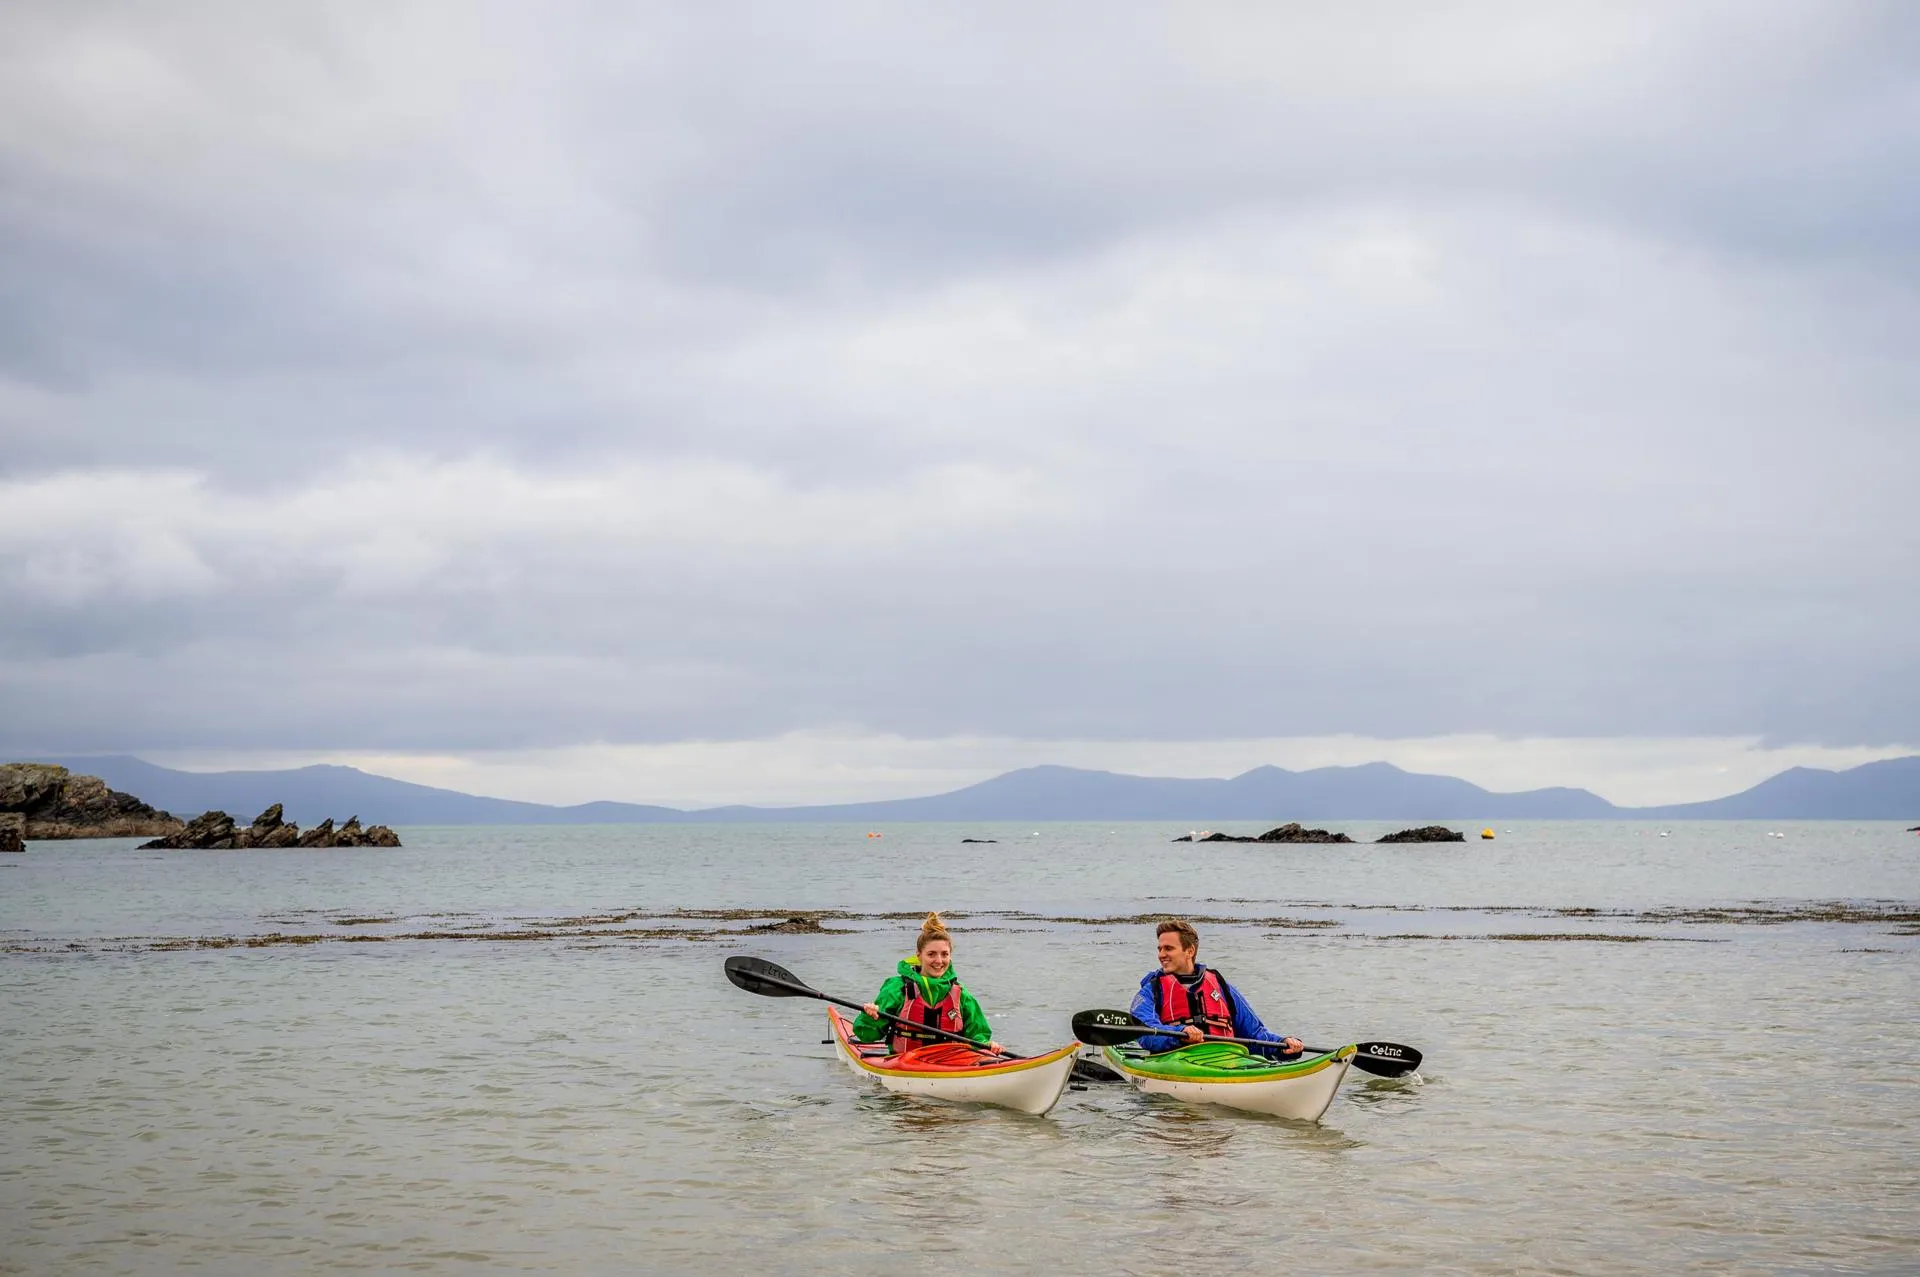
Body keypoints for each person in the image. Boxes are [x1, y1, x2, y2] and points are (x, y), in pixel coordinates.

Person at [1129, 918, 1304, 1057]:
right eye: (1159, 949)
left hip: (1227, 1060)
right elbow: (1145, 1032)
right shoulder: (1150, 991)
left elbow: (1255, 1034)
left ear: (1189, 951)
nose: (1161, 955)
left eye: (1168, 948)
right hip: (1175, 1060)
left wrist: (1283, 1044)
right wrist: (1180, 1033)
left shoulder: (1221, 987)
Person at [854, 911, 1003, 1055]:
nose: (939, 961)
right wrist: (870, 1016)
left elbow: (977, 1035)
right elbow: (866, 1035)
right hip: (904, 1063)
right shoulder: (897, 988)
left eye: (944, 954)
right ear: (919, 956)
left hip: (949, 1063)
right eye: (931, 954)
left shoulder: (961, 994)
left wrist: (987, 1045)